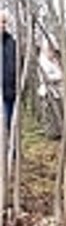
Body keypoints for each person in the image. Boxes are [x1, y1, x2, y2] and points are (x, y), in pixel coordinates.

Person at [2, 11, 17, 143]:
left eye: (3, 22)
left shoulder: (11, 42)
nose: (1, 25)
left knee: (9, 122)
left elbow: (17, 65)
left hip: (8, 92)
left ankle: (10, 153)